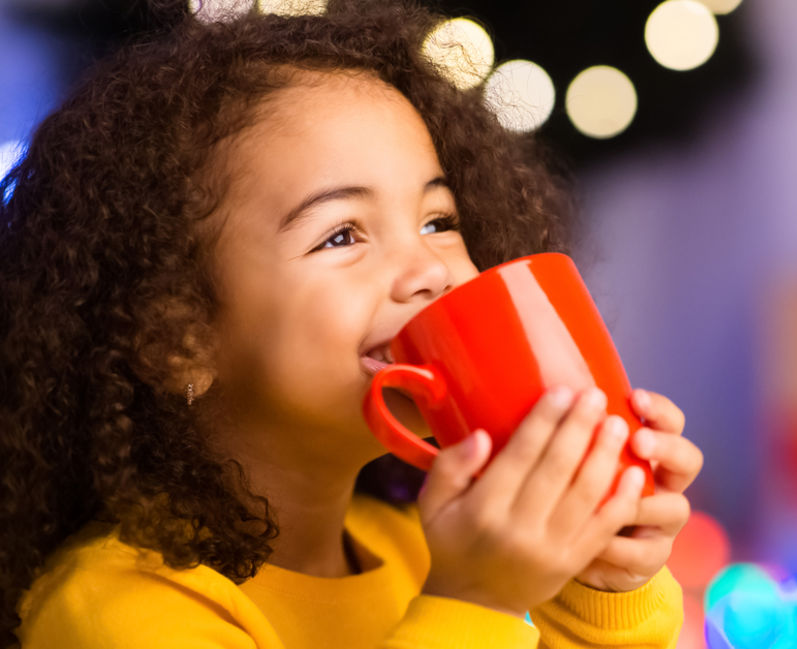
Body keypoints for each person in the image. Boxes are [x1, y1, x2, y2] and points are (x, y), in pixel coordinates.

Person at [0, 2, 703, 647]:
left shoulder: (421, 543)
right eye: (342, 235)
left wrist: (604, 579)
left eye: (439, 220)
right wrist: (475, 603)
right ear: (178, 340)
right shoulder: (113, 610)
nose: (429, 267)